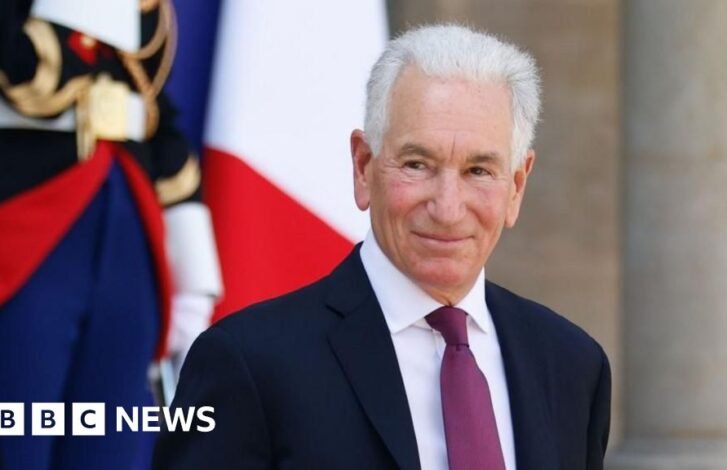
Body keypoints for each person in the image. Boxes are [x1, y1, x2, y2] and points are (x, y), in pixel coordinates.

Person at [153, 24, 610, 470]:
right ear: (363, 166)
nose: (448, 208)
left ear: (517, 186)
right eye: (417, 164)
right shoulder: (247, 364)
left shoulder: (572, 366)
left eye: (478, 171)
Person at [0, 0, 221, 468]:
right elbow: (21, 67)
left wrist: (194, 280)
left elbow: (153, 108)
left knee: (106, 448)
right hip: (23, 225)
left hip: (127, 229)